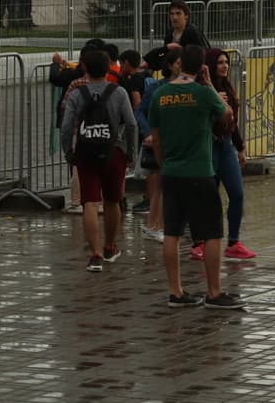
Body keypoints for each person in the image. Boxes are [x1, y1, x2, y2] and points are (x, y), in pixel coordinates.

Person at [149, 44, 244, 309]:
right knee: (213, 233)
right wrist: (210, 83)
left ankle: (176, 292)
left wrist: (163, 164)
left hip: (171, 172)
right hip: (200, 172)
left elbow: (156, 140)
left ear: (178, 64)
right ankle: (214, 292)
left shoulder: (161, 95)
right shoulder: (203, 93)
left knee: (172, 233)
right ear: (202, 65)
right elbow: (227, 114)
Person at [60, 49, 137, 271]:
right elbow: (130, 124)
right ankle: (110, 246)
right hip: (114, 151)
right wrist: (130, 152)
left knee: (90, 202)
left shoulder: (77, 93)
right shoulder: (119, 92)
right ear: (108, 69)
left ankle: (94, 254)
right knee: (113, 201)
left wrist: (69, 152)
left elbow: (66, 127)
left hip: (86, 152)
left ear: (84, 68)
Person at [190, 48, 257, 261]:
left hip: (226, 145)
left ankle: (233, 241)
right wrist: (212, 98)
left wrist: (240, 147)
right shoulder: (201, 89)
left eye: (226, 62)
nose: (224, 66)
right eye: (219, 62)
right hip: (208, 146)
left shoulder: (228, 87)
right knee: (208, 197)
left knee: (236, 193)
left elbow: (232, 122)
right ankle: (201, 241)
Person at [49, 38, 107, 214]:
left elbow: (65, 108)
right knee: (100, 166)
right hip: (103, 131)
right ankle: (101, 200)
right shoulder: (111, 86)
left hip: (79, 131)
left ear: (84, 63)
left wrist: (68, 149)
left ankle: (77, 202)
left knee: (77, 168)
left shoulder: (75, 83)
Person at [134, 47, 179, 238]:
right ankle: (158, 225)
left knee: (163, 185)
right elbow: (140, 111)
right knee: (163, 183)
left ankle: (154, 224)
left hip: (178, 141)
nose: (182, 66)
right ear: (170, 65)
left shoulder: (191, 86)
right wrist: (147, 134)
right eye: (178, 62)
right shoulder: (157, 87)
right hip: (162, 141)